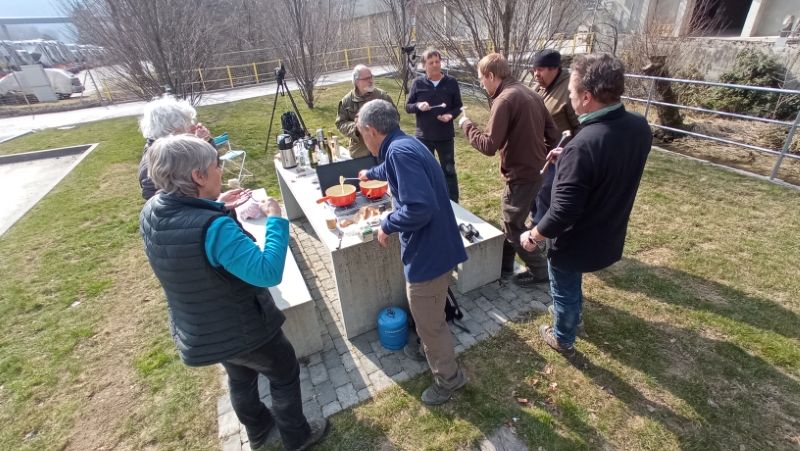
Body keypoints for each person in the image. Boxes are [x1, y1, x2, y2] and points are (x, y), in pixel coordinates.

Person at [139, 135, 329, 451]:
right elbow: (267, 271)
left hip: (202, 327)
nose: (221, 171)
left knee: (240, 376)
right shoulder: (214, 228)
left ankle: (258, 430)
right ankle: (298, 437)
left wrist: (214, 204)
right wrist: (276, 220)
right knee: (283, 372)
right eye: (216, 166)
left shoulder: (152, 210)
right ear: (198, 176)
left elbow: (188, 246)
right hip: (244, 327)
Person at [520, 53, 653, 357]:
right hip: (609, 231)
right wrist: (569, 159)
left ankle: (563, 337)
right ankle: (571, 314)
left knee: (564, 289)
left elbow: (562, 212)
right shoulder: (638, 126)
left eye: (571, 92)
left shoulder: (583, 146)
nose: (569, 97)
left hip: (575, 242)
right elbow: (608, 166)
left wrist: (533, 236)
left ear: (586, 97)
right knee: (570, 285)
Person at [356, 99, 468, 406]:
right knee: (427, 313)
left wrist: (387, 224)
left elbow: (421, 208)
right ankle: (426, 349)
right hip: (437, 247)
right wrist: (371, 172)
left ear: (371, 130)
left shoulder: (399, 152)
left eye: (361, 133)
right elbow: (392, 168)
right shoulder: (403, 145)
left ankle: (449, 379)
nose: (363, 138)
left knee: (430, 323)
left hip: (429, 254)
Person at [458, 53, 560, 288]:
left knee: (512, 225)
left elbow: (488, 146)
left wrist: (467, 125)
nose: (481, 84)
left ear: (491, 75)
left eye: (481, 79)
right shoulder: (531, 93)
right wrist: (540, 155)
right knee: (511, 220)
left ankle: (540, 271)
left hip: (521, 175)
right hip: (537, 171)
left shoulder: (504, 100)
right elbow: (554, 135)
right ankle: (504, 264)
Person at [405, 47, 463, 202]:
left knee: (449, 171)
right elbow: (408, 107)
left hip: (445, 136)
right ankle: (430, 201)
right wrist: (418, 106)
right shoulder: (417, 83)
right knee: (426, 171)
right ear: (424, 66)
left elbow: (458, 106)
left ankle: (453, 203)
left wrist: (450, 115)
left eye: (437, 61)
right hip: (424, 136)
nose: (435, 65)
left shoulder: (451, 82)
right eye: (431, 63)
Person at [138, 95, 217, 200]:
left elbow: (211, 169)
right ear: (171, 129)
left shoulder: (177, 148)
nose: (193, 127)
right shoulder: (158, 157)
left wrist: (205, 142)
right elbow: (153, 194)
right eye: (187, 124)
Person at [335, 65, 394, 159]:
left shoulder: (382, 96)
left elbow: (395, 117)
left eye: (371, 77)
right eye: (367, 78)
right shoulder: (346, 102)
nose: (371, 80)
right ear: (357, 82)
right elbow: (340, 123)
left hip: (383, 148)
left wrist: (379, 122)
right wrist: (357, 127)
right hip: (360, 151)